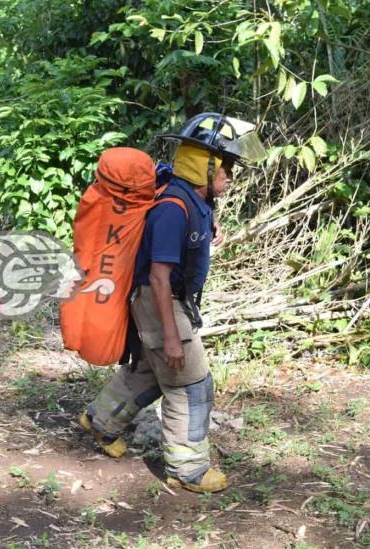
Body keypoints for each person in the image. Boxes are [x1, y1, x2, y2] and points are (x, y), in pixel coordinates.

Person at [79, 113, 265, 493]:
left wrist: (209, 224)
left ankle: (101, 421)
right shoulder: (172, 209)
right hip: (160, 300)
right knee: (192, 383)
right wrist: (170, 335)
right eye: (226, 167)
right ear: (203, 165)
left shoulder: (193, 199)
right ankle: (188, 469)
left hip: (164, 299)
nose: (230, 176)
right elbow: (160, 277)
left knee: (151, 371)